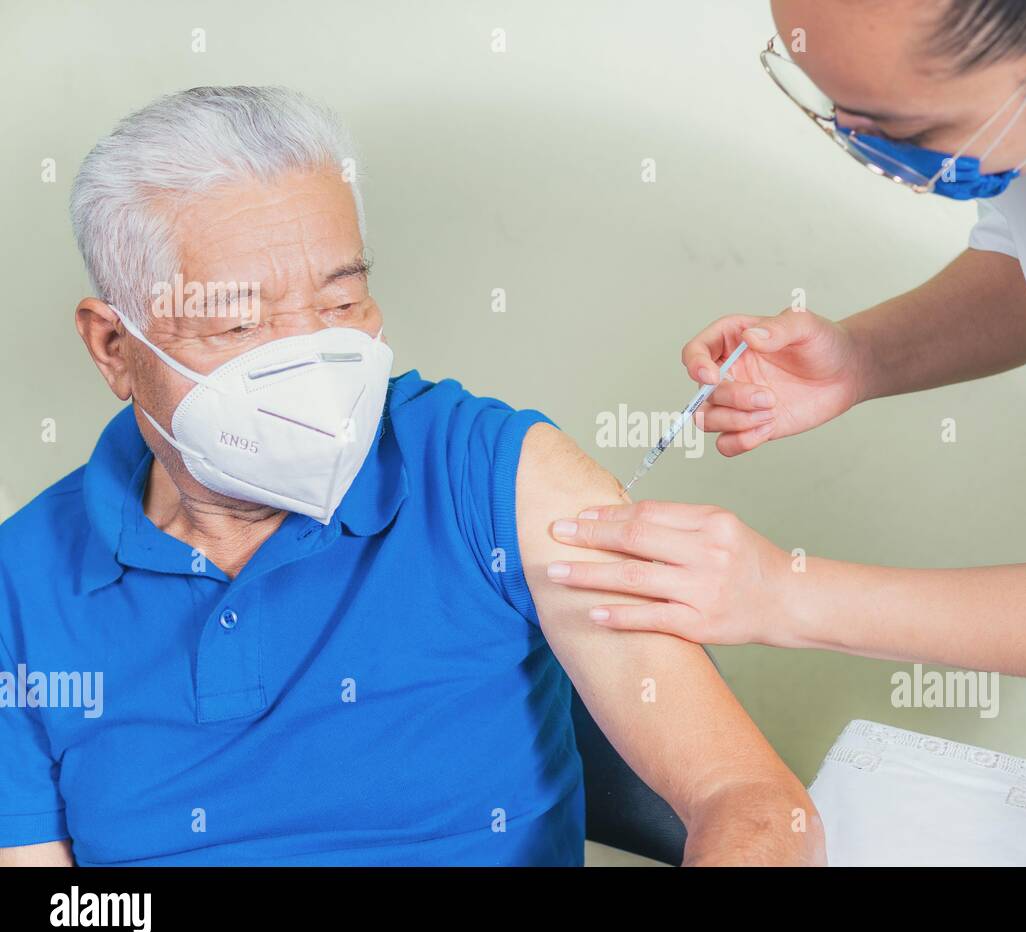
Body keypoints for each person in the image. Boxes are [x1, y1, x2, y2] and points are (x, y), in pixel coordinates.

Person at [0, 86, 823, 866]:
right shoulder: (22, 583)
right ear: (114, 347)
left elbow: (753, 804)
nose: (310, 364)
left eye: (339, 306)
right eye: (240, 320)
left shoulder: (489, 475)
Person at [547, 0, 1026, 815]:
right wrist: (860, 359)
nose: (863, 143)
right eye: (841, 110)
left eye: (900, 128)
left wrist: (778, 593)